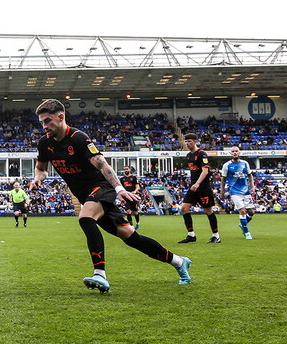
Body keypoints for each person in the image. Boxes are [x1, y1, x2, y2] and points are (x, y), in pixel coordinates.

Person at [30, 99, 190, 292]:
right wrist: (38, 179)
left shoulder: (78, 138)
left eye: (47, 121)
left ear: (61, 117)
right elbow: (41, 169)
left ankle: (100, 274)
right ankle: (179, 262)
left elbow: (101, 164)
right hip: (85, 195)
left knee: (86, 218)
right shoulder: (44, 143)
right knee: (131, 237)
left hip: (101, 187)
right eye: (42, 123)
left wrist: (119, 189)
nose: (44, 126)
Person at [178, 133, 220, 244]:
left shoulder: (202, 154)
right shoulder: (188, 156)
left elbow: (205, 171)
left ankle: (216, 236)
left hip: (203, 187)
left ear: (195, 141)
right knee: (184, 209)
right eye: (186, 141)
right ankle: (191, 235)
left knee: (208, 211)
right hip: (193, 187)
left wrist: (197, 183)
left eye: (189, 141)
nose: (187, 143)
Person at [220, 147, 256, 239]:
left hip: (245, 190)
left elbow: (250, 175)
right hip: (234, 191)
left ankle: (243, 224)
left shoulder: (245, 163)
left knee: (251, 212)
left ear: (239, 153)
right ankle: (247, 233)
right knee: (242, 210)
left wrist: (252, 187)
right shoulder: (227, 165)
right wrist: (222, 192)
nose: (235, 153)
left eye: (236, 151)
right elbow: (223, 178)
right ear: (230, 153)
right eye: (233, 151)